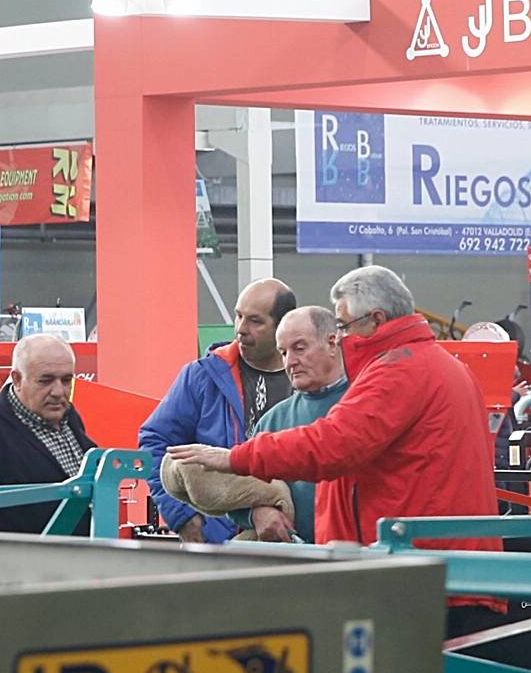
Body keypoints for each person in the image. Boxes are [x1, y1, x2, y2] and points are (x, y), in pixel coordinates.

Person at [171, 265, 505, 637]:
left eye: (344, 326)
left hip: (416, 580)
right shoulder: (444, 368)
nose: (341, 337)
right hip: (437, 574)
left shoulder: (399, 371)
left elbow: (331, 444)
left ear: (376, 319)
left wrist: (232, 458)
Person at [161, 306, 348, 543]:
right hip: (293, 563)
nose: (291, 361)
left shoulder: (363, 405)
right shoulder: (273, 420)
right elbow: (242, 489)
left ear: (332, 344)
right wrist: (255, 513)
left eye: (300, 348)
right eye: (283, 352)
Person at [139, 278, 297, 543]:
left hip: (296, 538)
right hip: (217, 544)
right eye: (238, 316)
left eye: (255, 321)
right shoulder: (202, 377)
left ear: (283, 325)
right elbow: (155, 441)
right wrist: (183, 518)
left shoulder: (307, 380)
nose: (241, 329)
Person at [0, 333, 96, 534]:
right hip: (23, 562)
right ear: (17, 379)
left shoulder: (69, 417)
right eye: (46, 381)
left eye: (66, 380)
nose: (58, 391)